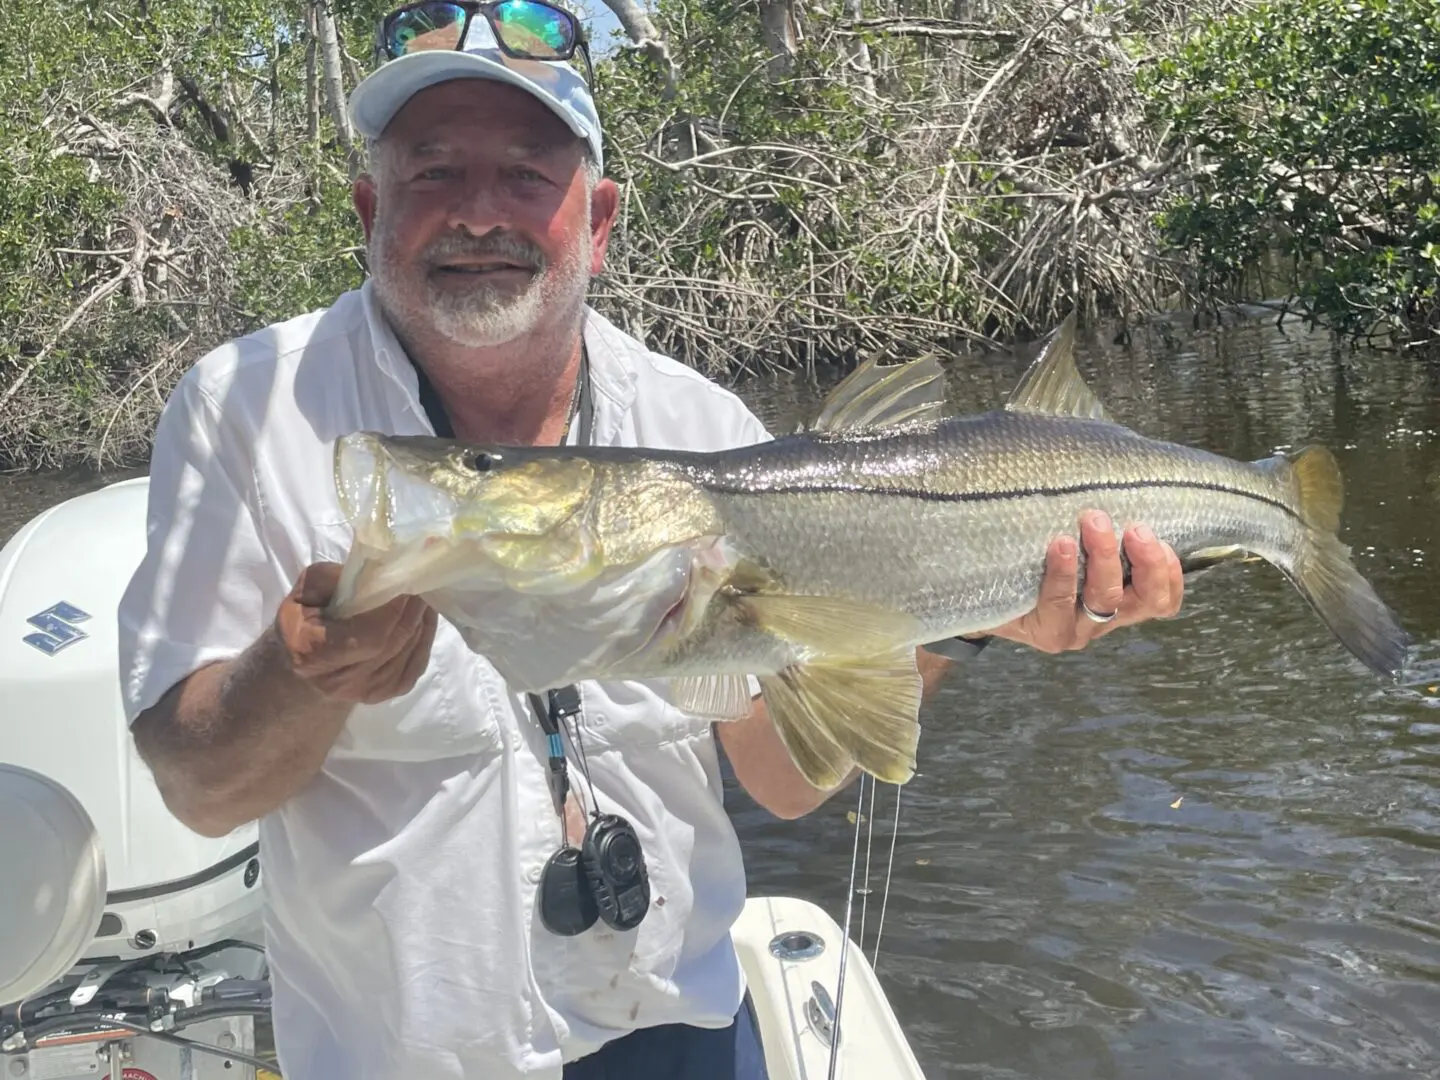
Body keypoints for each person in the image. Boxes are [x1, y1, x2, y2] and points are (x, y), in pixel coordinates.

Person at [116, 3, 1185, 1077]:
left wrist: (970, 620)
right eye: (432, 174)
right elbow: (200, 792)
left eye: (529, 176)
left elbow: (782, 776)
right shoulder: (243, 410)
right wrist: (306, 675)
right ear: (367, 210)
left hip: (686, 1036)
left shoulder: (706, 430)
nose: (479, 215)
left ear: (601, 221)